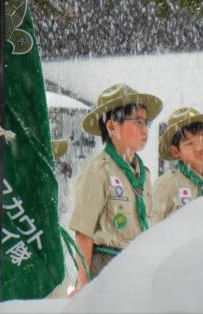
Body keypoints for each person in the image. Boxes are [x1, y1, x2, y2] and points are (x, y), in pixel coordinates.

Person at [68, 83, 162, 295]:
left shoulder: (143, 175)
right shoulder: (98, 171)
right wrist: (82, 283)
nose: (145, 130)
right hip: (107, 267)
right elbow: (84, 230)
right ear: (112, 127)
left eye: (146, 123)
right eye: (137, 122)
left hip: (138, 268)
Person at [152, 107, 203, 224]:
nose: (199, 148)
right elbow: (149, 231)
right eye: (189, 143)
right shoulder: (166, 186)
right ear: (176, 151)